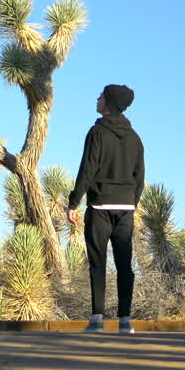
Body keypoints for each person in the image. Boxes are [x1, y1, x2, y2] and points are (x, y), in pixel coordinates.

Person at [67, 84, 145, 334]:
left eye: (101, 96)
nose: (97, 99)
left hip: (100, 207)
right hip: (125, 209)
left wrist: (73, 202)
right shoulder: (135, 138)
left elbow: (87, 169)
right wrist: (131, 202)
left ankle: (97, 320)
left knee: (97, 263)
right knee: (124, 264)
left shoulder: (97, 132)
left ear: (108, 103)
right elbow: (140, 176)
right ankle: (125, 321)